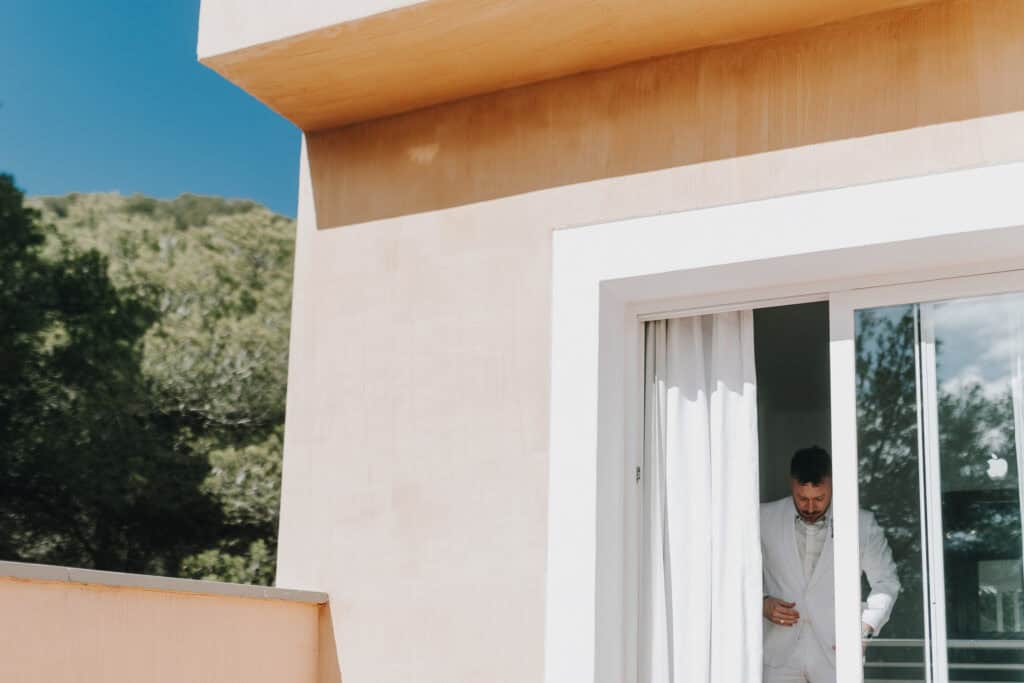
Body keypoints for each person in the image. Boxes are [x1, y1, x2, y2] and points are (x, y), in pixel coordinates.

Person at [761, 446, 900, 683]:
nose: (811, 507)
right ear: (792, 484)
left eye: (819, 498)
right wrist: (762, 604)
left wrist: (865, 629)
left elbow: (886, 582)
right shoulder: (762, 518)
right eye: (802, 498)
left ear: (832, 484)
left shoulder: (862, 523)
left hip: (837, 655)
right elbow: (736, 576)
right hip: (777, 657)